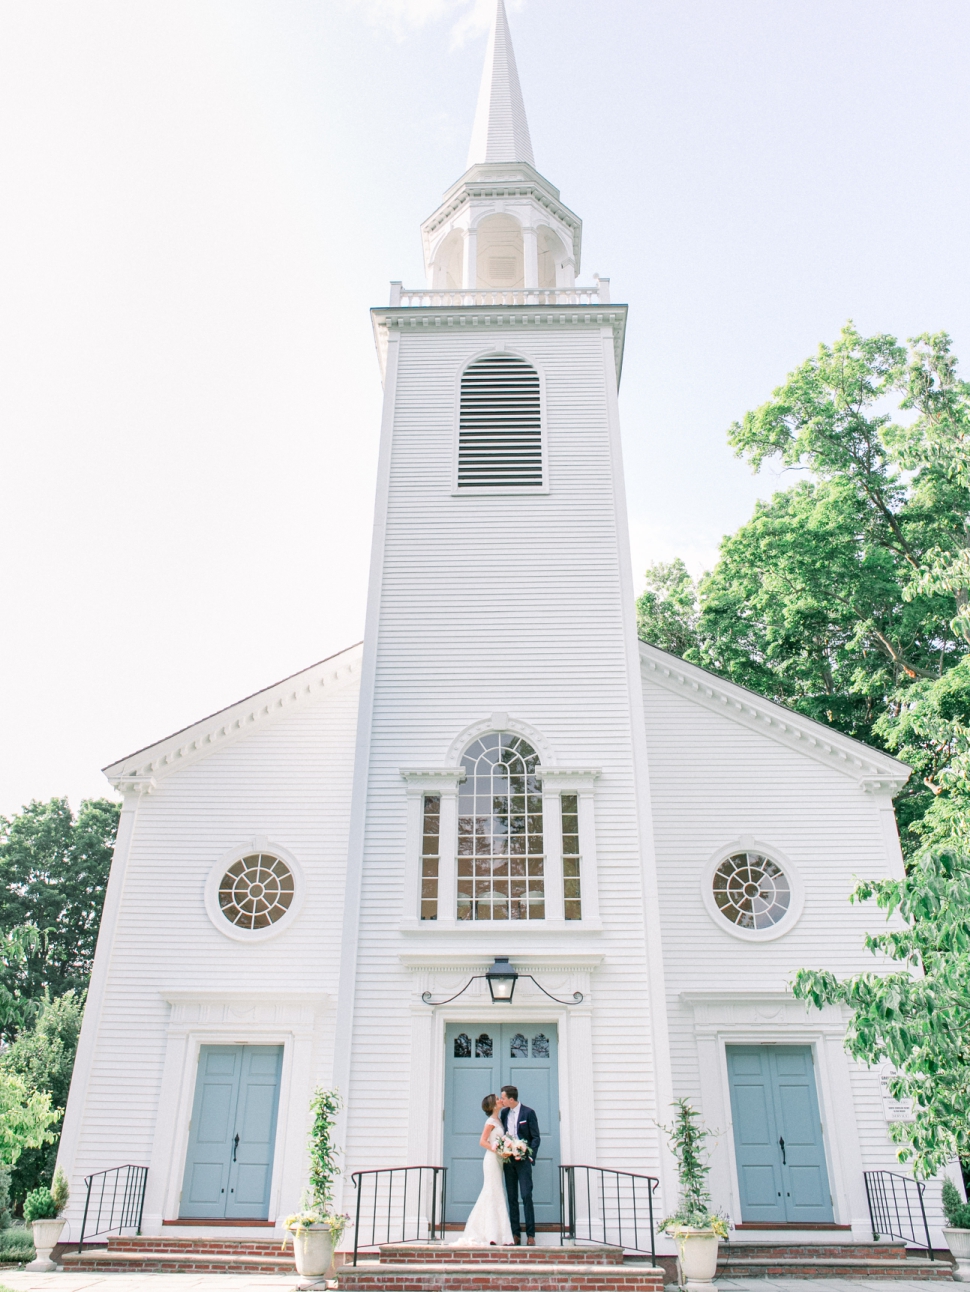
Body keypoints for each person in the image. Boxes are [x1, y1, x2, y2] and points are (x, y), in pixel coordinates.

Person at [450, 1093, 514, 1247]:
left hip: (499, 1161)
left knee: (496, 1192)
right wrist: (498, 1151)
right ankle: (491, 1234)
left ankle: (498, 1233)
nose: (500, 1100)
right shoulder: (491, 1121)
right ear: (493, 1105)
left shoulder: (499, 1119)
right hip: (491, 1160)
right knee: (492, 1191)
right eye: (498, 1099)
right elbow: (482, 1141)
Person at [499, 1085, 540, 1245]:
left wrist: (530, 1157)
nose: (501, 1101)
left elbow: (536, 1138)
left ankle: (531, 1234)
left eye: (503, 1098)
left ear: (511, 1099)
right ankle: (515, 1233)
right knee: (512, 1197)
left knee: (526, 1195)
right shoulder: (504, 1113)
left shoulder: (528, 1113)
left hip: (523, 1162)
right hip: (508, 1161)